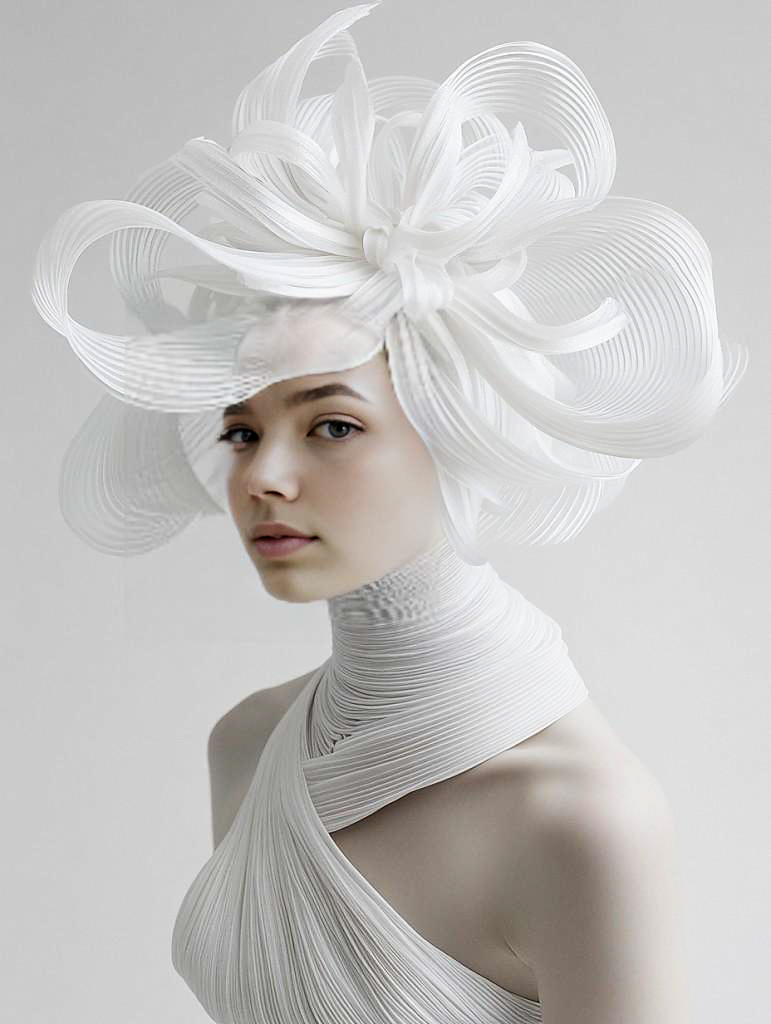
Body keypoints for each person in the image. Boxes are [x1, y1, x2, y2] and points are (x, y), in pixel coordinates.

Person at [30, 3, 747, 1021]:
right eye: (240, 430)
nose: (261, 476)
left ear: (455, 421)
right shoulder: (246, 743)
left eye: (330, 426)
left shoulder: (582, 820)